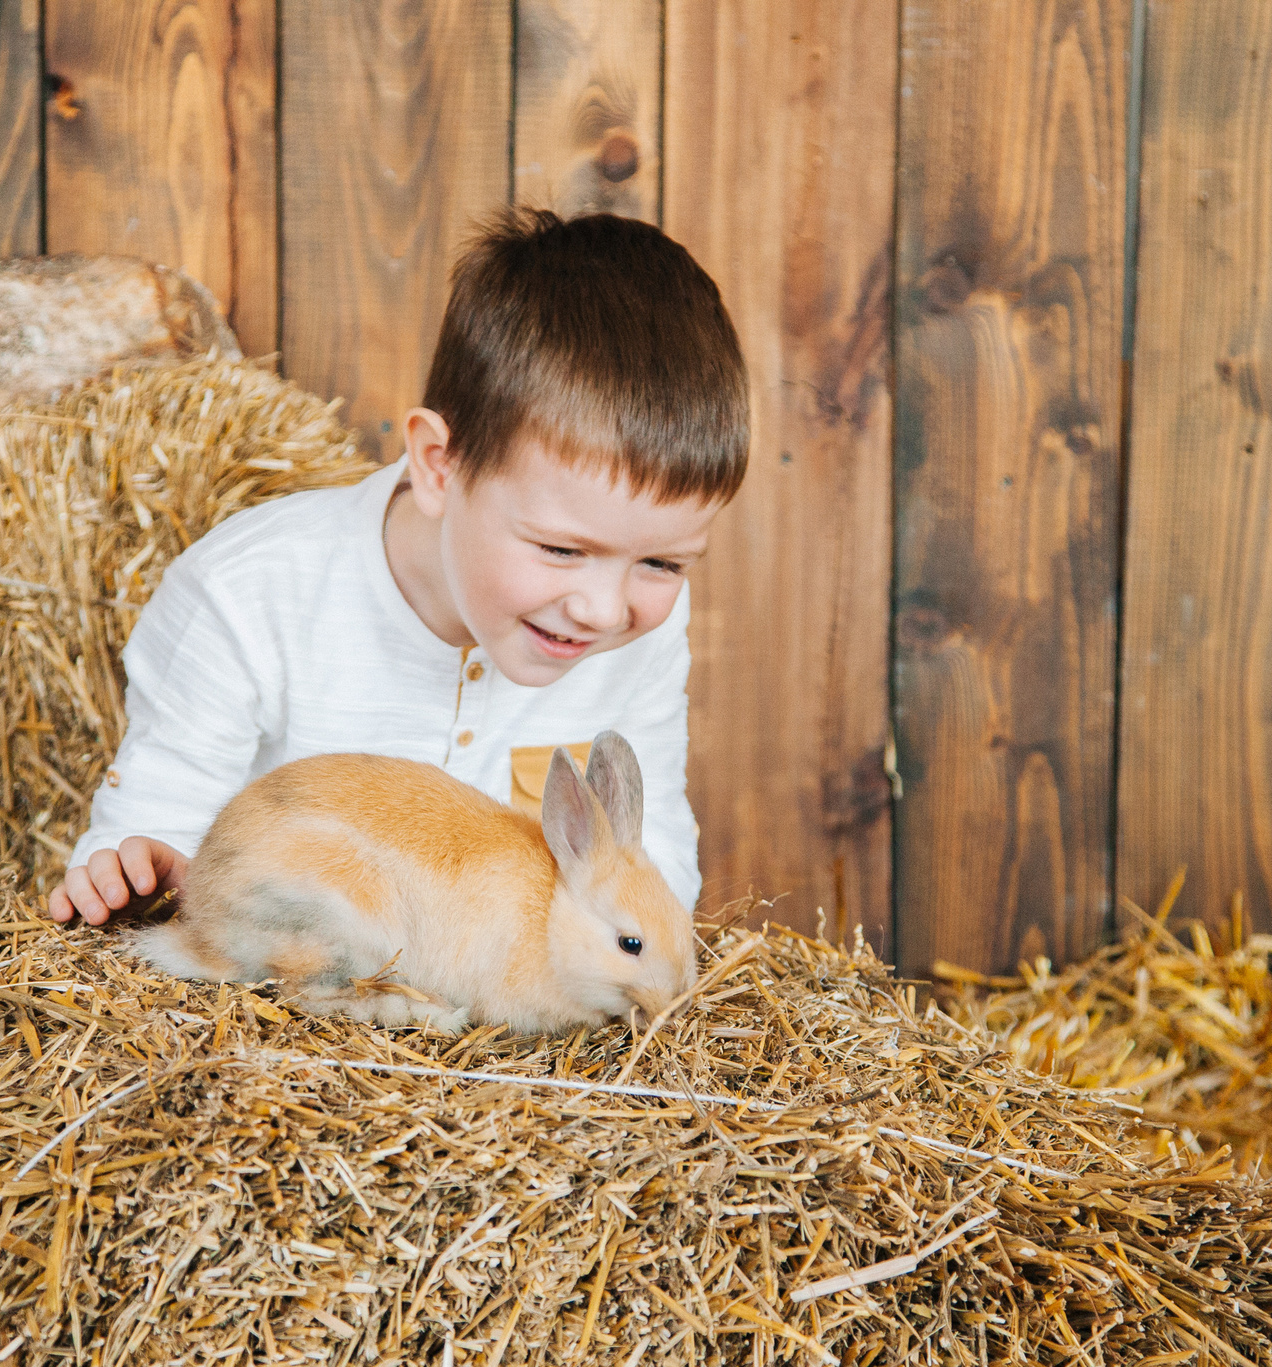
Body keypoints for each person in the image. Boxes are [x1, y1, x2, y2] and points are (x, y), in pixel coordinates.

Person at [47, 208, 750, 926]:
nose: (602, 609)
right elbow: (153, 834)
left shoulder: (637, 626)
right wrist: (145, 881)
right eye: (561, 550)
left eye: (663, 562)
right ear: (439, 467)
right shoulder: (244, 596)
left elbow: (651, 855)